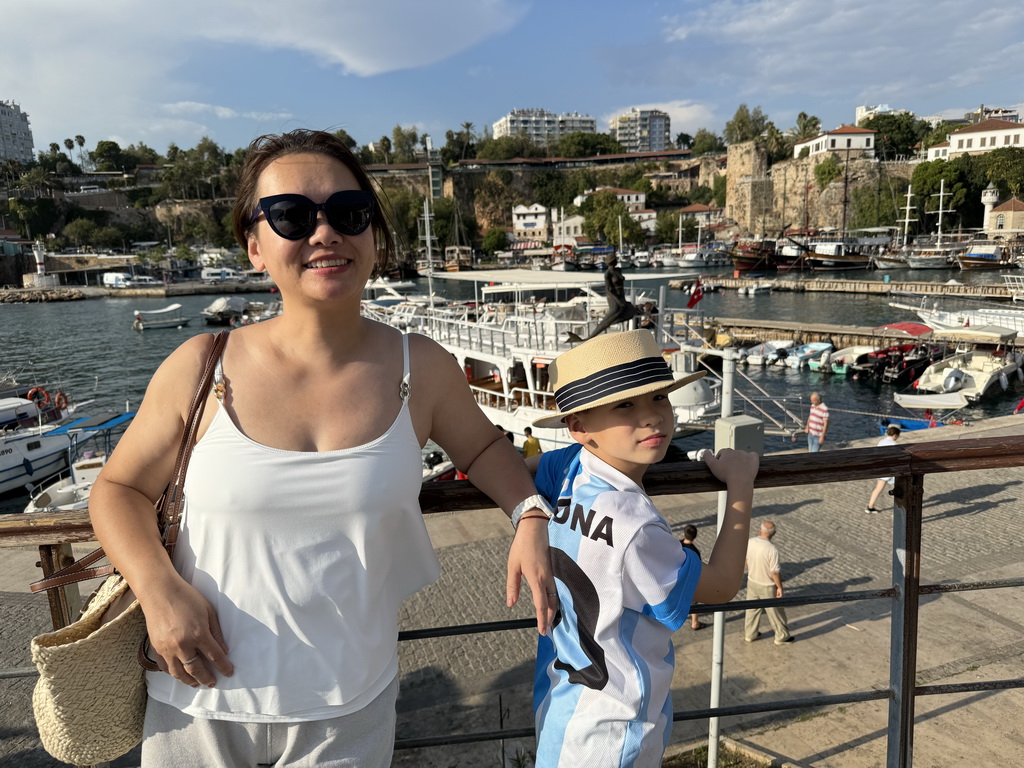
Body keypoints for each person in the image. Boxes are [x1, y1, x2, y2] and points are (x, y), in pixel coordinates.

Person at [89, 129, 556, 768]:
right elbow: (118, 490)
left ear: (373, 235)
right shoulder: (202, 365)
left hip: (350, 709)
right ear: (255, 246)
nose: (324, 232)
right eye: (292, 216)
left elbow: (485, 448)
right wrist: (156, 589)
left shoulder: (421, 368)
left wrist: (530, 516)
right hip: (199, 706)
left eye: (348, 212)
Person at [529, 329, 759, 767]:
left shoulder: (567, 471)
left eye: (659, 398)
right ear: (579, 427)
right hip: (617, 732)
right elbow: (724, 584)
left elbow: (522, 470)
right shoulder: (636, 528)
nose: (652, 417)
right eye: (625, 405)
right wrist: (741, 485)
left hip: (562, 709)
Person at [743, 521, 793, 645]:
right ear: (773, 534)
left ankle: (750, 634)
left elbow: (744, 560)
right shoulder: (772, 549)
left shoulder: (750, 542)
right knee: (775, 612)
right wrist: (779, 587)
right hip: (767, 586)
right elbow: (774, 572)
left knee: (751, 610)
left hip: (752, 581)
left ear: (760, 530)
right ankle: (781, 635)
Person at [866, 425, 901, 513]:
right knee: (899, 489)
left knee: (878, 488)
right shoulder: (894, 444)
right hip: (888, 469)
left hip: (880, 467)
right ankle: (899, 508)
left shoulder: (882, 441)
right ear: (896, 435)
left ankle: (870, 506)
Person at [680, 524, 706, 630]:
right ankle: (695, 623)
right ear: (695, 536)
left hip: (678, 577)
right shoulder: (695, 551)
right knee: (694, 602)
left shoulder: (678, 544)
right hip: (689, 580)